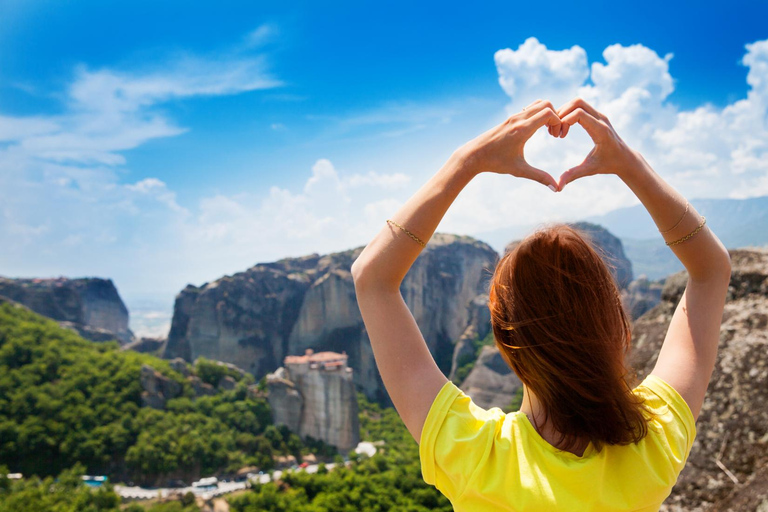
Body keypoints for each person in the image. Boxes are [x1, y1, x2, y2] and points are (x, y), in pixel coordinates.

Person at [351, 98, 732, 511]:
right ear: (617, 324)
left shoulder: (477, 459)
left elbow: (372, 280)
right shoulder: (653, 445)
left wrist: (467, 161)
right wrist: (630, 164)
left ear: (503, 337)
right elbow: (711, 271)